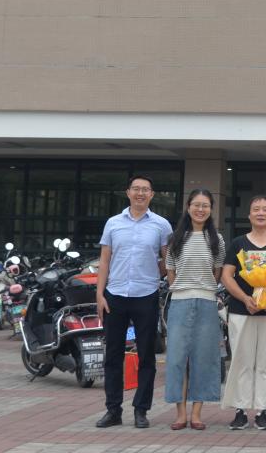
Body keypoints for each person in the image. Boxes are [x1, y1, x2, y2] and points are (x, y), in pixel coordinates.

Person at [95, 174, 173, 429]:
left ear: (152, 194)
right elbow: (104, 260)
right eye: (136, 189)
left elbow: (168, 261)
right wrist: (99, 294)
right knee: (113, 355)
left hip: (146, 295)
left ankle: (141, 409)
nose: (140, 193)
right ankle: (113, 410)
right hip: (115, 295)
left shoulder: (161, 225)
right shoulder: (113, 223)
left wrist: (152, 275)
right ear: (128, 192)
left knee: (147, 356)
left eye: (145, 189)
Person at [221, 195, 266, 431]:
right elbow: (226, 275)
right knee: (241, 360)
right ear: (249, 215)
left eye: (265, 209)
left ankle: (264, 410)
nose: (261, 213)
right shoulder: (238, 243)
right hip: (241, 311)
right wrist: (244, 298)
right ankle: (240, 410)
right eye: (256, 209)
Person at [164, 189, 226, 430]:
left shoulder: (216, 239)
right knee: (176, 359)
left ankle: (197, 414)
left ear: (211, 209)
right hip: (179, 301)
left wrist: (204, 289)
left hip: (207, 302)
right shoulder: (175, 238)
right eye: (196, 205)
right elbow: (170, 270)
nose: (201, 209)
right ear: (188, 207)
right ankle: (180, 414)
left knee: (204, 358)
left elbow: (218, 272)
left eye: (205, 205)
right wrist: (181, 289)